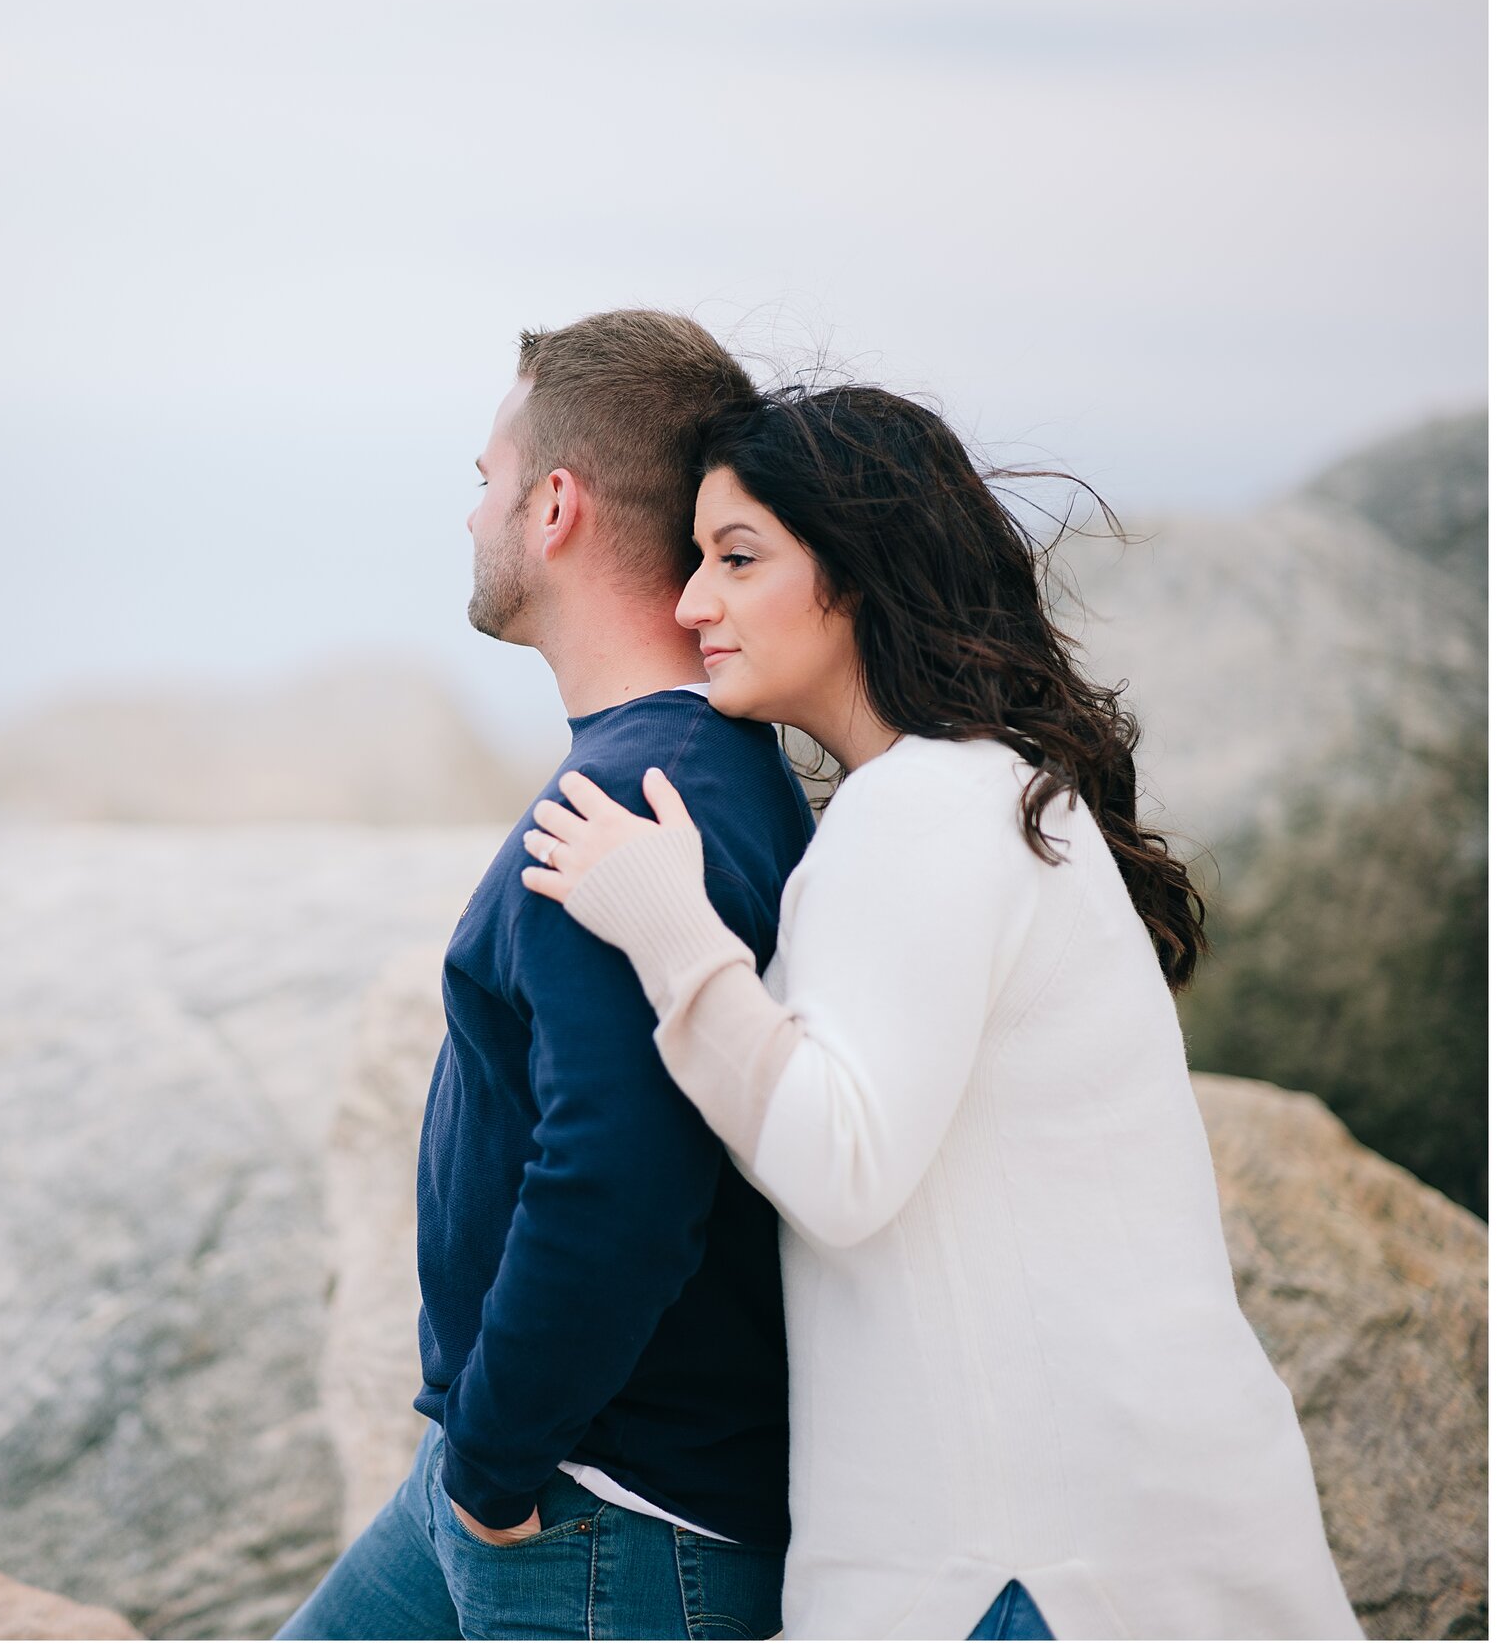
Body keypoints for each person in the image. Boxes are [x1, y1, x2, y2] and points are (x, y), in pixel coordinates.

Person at [518, 384, 1363, 1640]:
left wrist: (671, 933)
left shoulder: (928, 808)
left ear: (856, 575)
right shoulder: (984, 795)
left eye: (738, 559)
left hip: (1019, 1570)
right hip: (1079, 1543)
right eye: (696, 561)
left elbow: (839, 1162)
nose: (694, 603)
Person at [278, 310, 811, 1641]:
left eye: (487, 481)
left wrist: (494, 1469)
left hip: (597, 1522)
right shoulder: (691, 768)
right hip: (526, 1479)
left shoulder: (627, 809)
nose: (473, 517)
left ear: (556, 505)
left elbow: (618, 1183)